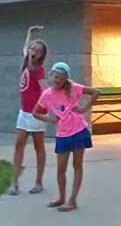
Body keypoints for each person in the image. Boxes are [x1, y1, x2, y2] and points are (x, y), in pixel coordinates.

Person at [32, 62, 100, 212]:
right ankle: (61, 197)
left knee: (77, 165)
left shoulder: (74, 88)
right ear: (51, 76)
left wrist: (83, 108)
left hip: (78, 131)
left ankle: (72, 200)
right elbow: (35, 112)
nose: (58, 81)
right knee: (60, 169)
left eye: (61, 79)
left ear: (66, 79)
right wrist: (51, 120)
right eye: (56, 77)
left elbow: (96, 92)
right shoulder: (47, 94)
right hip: (62, 134)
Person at [8, 26, 49, 196]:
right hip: (23, 113)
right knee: (19, 145)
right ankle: (14, 183)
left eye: (38, 51)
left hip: (35, 114)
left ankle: (39, 182)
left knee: (39, 147)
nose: (33, 52)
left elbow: (45, 88)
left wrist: (56, 103)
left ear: (41, 56)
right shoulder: (26, 61)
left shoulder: (38, 70)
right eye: (33, 48)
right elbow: (25, 47)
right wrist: (30, 32)